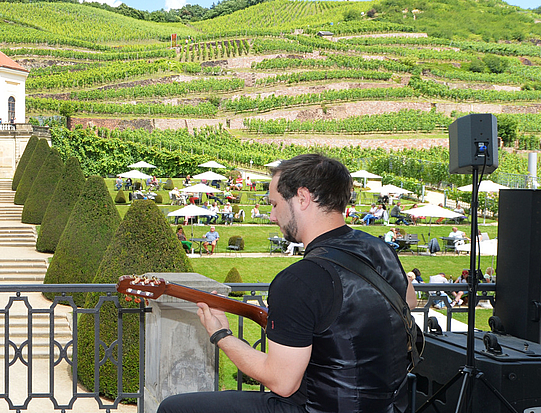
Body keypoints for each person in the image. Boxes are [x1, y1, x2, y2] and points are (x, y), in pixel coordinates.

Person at [157, 153, 413, 413]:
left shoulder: (299, 279)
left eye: (275, 204)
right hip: (390, 407)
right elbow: (408, 301)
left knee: (173, 408)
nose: (271, 216)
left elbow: (282, 382)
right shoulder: (382, 250)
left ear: (302, 198)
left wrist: (220, 334)